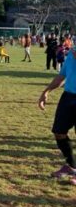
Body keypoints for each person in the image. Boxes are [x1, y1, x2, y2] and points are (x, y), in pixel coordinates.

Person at [38, 45, 76, 184]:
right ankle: (72, 166)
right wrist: (46, 91)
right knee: (59, 132)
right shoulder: (71, 53)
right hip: (68, 97)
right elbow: (62, 76)